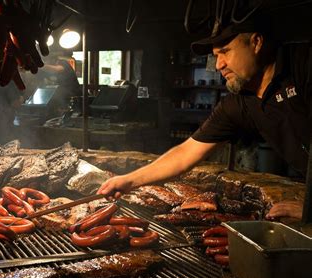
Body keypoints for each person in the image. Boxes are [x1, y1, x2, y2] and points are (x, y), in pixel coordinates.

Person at [98, 10, 311, 221]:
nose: (219, 65)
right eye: (216, 55)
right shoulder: (237, 103)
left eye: (225, 51)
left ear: (256, 42)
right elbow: (186, 153)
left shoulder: (303, 64)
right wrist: (128, 180)